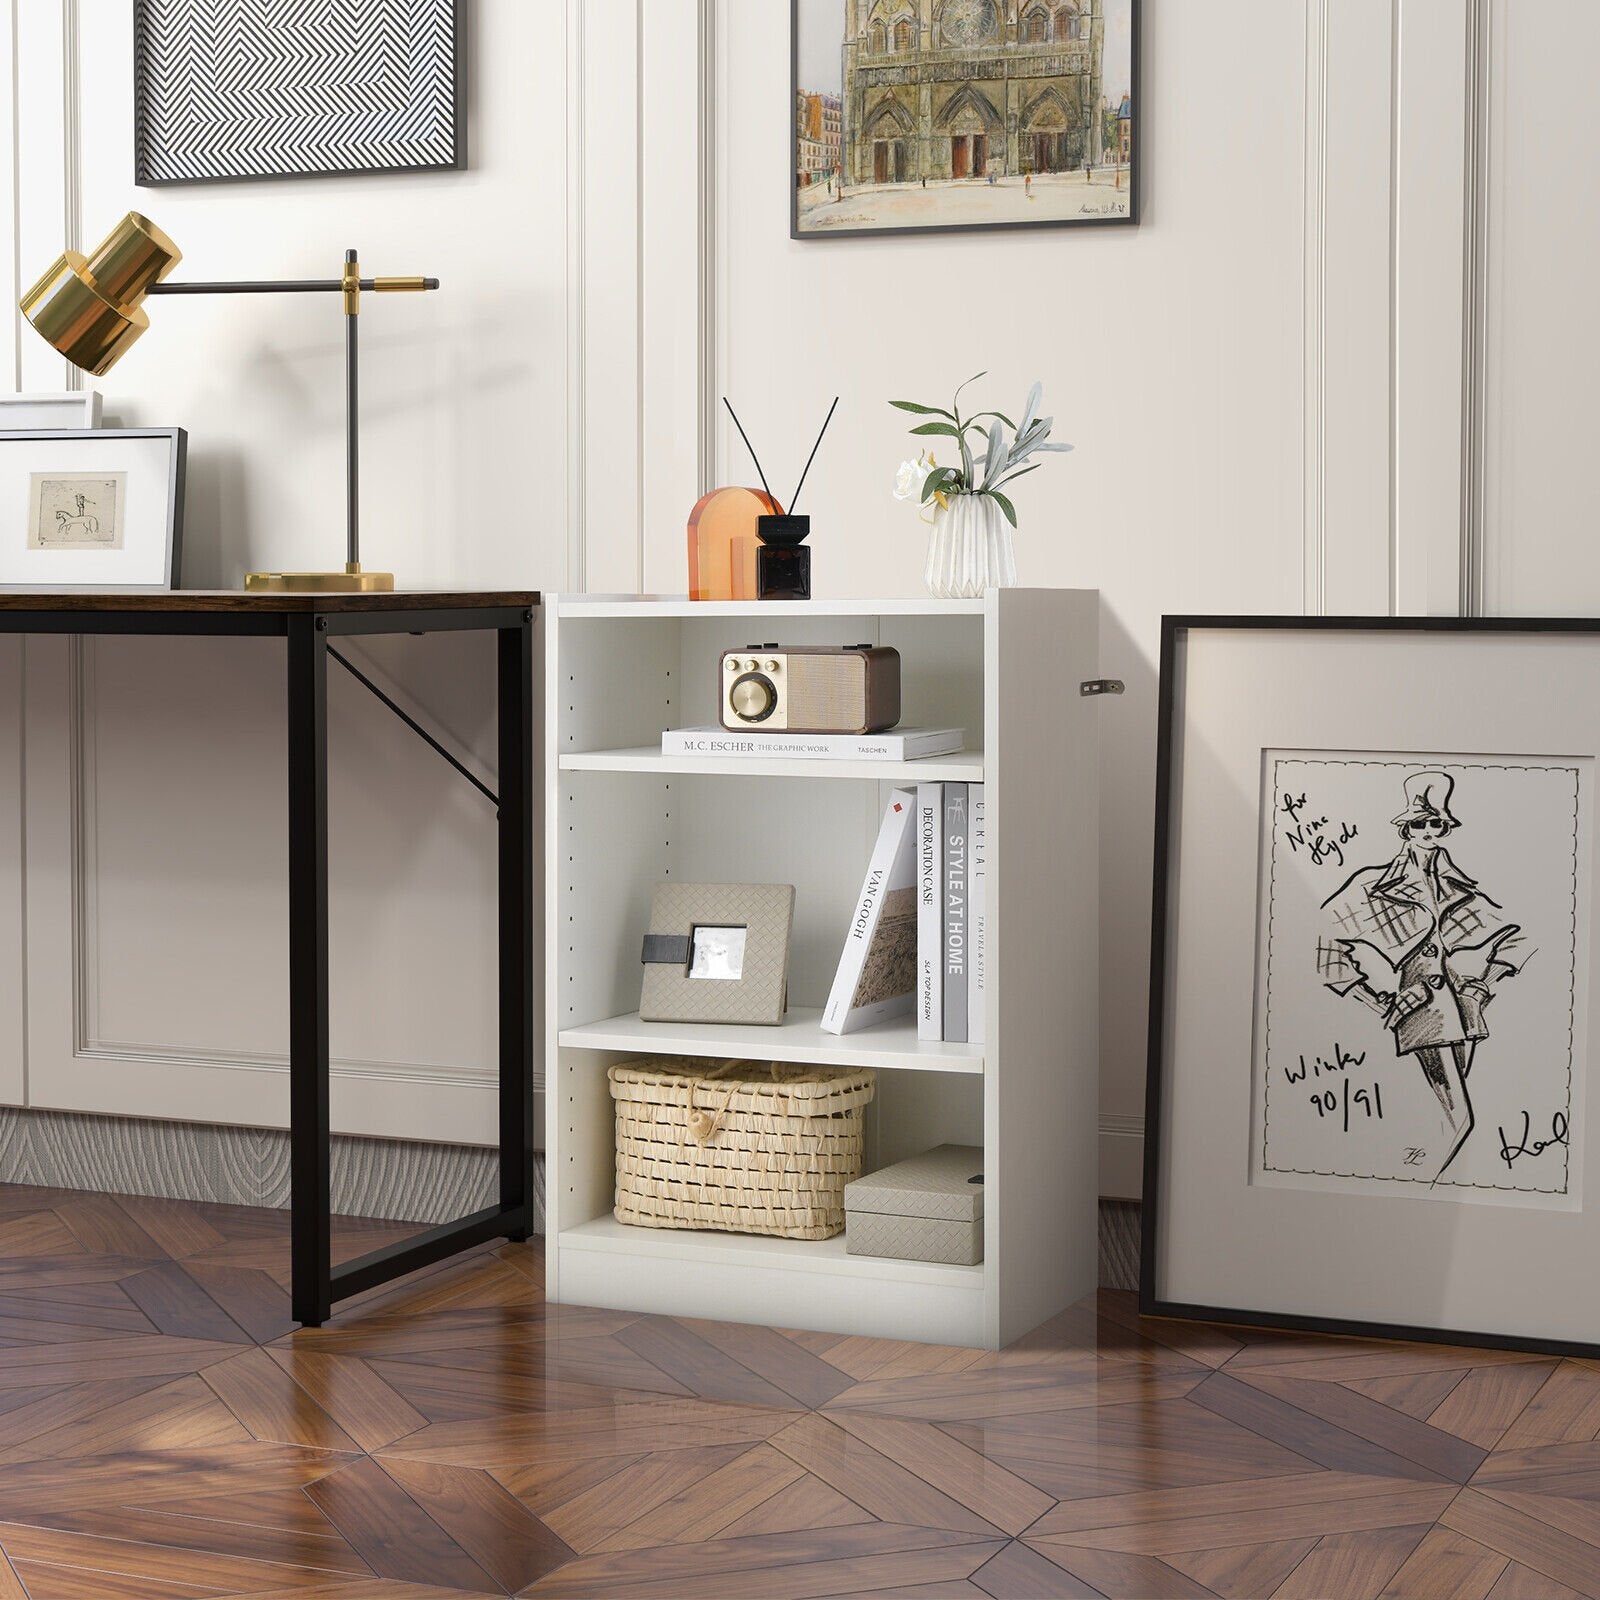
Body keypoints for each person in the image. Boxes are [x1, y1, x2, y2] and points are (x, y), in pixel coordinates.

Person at [1317, 771, 1527, 1181]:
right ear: (1405, 829)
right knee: (1458, 1120)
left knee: (1441, 1116)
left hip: (1464, 1010)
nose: (1429, 831)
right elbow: (1323, 943)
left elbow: (1519, 936)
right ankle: (1421, 1183)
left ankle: (1417, 1187)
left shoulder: (1460, 885)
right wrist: (1375, 999)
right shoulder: (1371, 885)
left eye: (1437, 823)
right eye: (1420, 823)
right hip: (1420, 1012)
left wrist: (1483, 986)